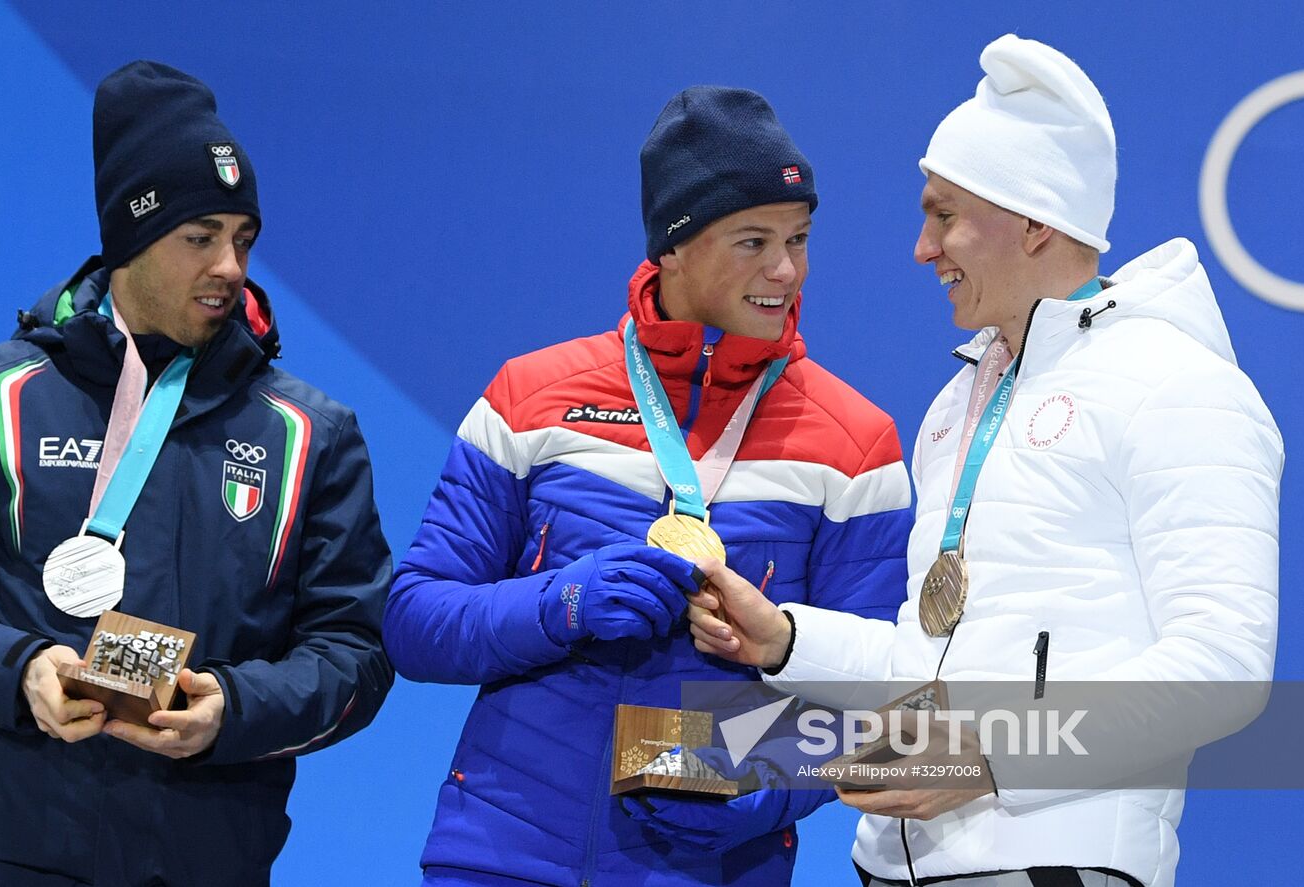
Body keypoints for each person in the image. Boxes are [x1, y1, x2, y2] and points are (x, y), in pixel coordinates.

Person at [688, 35, 1282, 887]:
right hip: (894, 865)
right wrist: (786, 639)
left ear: (1035, 220)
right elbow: (928, 670)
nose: (922, 248)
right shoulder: (958, 402)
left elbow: (1222, 670)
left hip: (1057, 863)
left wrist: (992, 755)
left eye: (944, 214)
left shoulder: (1177, 385)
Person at [384, 86, 913, 885]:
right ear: (673, 246)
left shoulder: (856, 443)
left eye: (799, 239)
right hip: (501, 855)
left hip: (711, 868)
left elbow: (877, 697)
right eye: (753, 240)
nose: (786, 270)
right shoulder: (530, 397)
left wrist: (752, 785)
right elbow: (415, 619)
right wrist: (560, 603)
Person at [0, 61, 393, 887]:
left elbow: (356, 652)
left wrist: (233, 709)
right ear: (130, 239)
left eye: (243, 239)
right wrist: (18, 670)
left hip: (203, 861)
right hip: (5, 853)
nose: (230, 265)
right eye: (200, 236)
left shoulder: (309, 434)